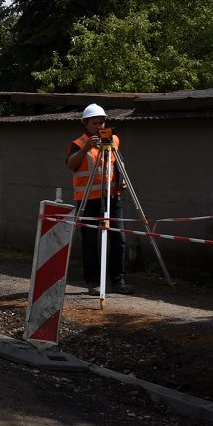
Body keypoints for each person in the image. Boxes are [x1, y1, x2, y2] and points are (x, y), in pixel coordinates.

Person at [67, 103, 132, 294]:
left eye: (101, 122)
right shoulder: (78, 144)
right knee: (90, 241)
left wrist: (122, 180)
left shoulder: (113, 140)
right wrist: (86, 147)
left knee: (118, 238)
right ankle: (93, 281)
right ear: (86, 124)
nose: (99, 126)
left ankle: (118, 281)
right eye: (94, 123)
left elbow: (117, 162)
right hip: (87, 200)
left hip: (112, 197)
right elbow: (71, 164)